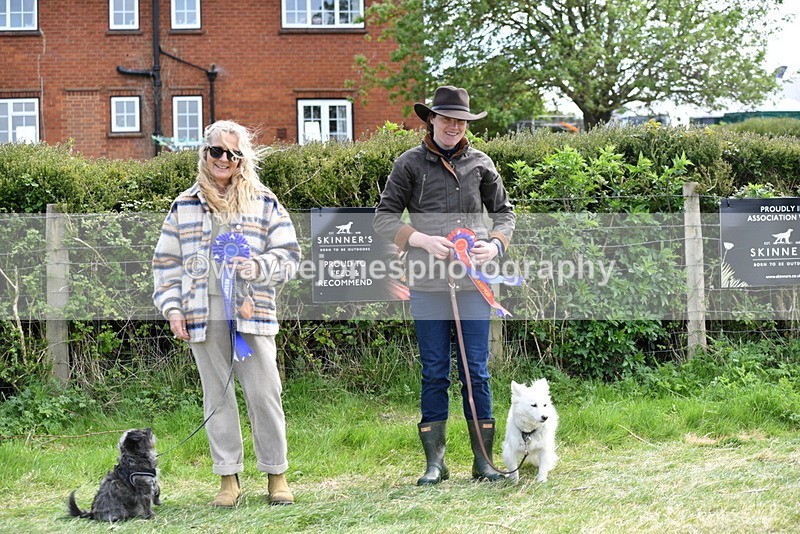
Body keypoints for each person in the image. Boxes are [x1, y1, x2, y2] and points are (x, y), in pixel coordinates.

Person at [153, 120, 301, 506]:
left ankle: (276, 474)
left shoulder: (264, 201)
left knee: (264, 392)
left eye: (233, 154)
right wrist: (172, 309)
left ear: (242, 159)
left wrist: (258, 266)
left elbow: (289, 255)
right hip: (202, 313)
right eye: (216, 151)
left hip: (252, 311)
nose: (224, 159)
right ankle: (228, 479)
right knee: (217, 396)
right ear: (204, 154)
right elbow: (165, 263)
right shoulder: (184, 204)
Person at [373, 86, 516, 484]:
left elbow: (505, 214)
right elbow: (383, 218)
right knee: (435, 371)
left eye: (461, 121)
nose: (454, 126)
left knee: (477, 371)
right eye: (447, 118)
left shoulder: (481, 163)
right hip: (426, 284)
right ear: (432, 119)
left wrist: (494, 244)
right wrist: (419, 239)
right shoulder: (408, 163)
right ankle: (435, 464)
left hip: (473, 285)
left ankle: (483, 461)